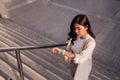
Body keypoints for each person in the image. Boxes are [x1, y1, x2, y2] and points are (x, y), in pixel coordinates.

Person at [52, 14, 96, 80]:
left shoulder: (91, 42)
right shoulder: (75, 36)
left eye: (79, 28)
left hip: (82, 68)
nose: (76, 31)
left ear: (86, 27)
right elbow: (69, 47)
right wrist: (66, 56)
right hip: (73, 66)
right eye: (74, 28)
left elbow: (81, 58)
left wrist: (63, 52)